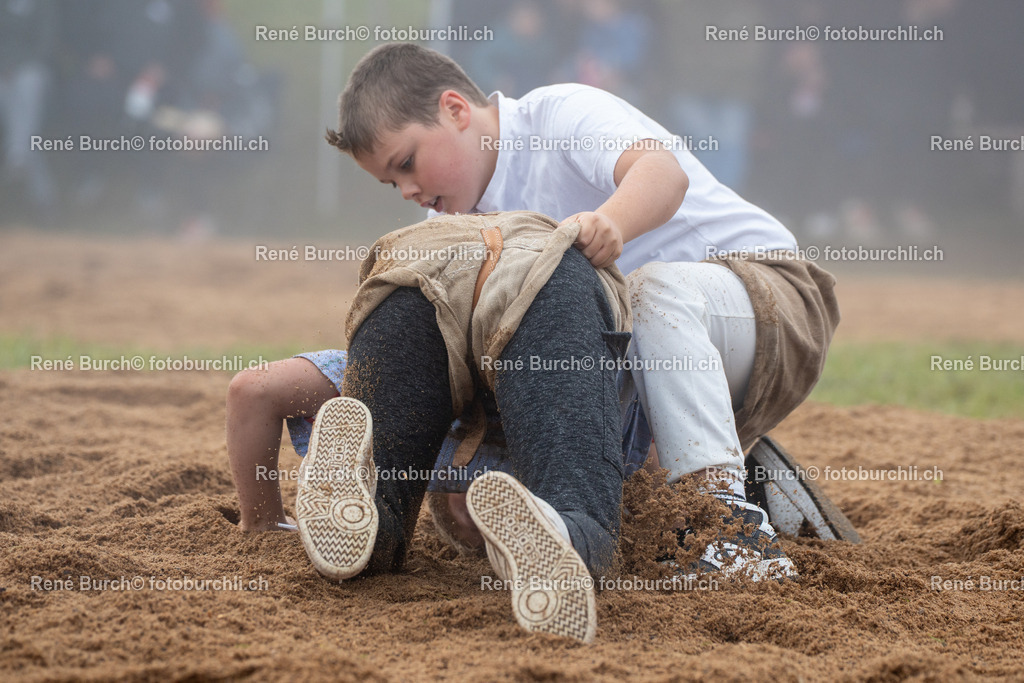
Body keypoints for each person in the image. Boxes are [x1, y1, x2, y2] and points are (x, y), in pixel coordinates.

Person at [324, 42, 847, 579]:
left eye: (407, 162)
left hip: (769, 302)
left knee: (650, 292)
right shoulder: (454, 228)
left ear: (456, 110)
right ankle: (748, 480)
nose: (408, 190)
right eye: (392, 182)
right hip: (652, 361)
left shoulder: (555, 114)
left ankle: (733, 533)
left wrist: (613, 223)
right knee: (509, 465)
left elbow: (663, 172)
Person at [231, 210, 634, 643]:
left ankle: (369, 501)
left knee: (382, 524)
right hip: (546, 267)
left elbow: (252, 389)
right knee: (586, 513)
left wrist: (261, 521)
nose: (405, 190)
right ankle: (563, 527)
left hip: (416, 261)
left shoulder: (347, 377)